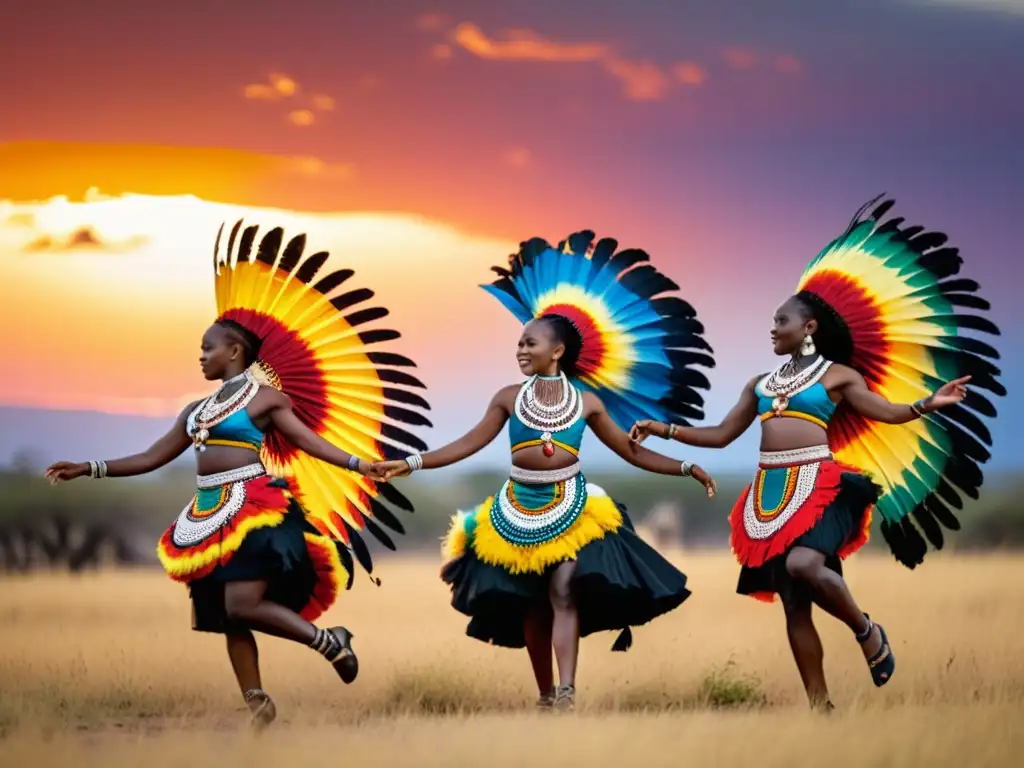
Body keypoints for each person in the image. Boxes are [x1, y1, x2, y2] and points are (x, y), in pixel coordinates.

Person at [45, 219, 432, 731]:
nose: (200, 355)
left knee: (242, 602)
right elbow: (151, 457)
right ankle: (257, 704)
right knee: (230, 615)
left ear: (235, 352)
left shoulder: (267, 399)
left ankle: (328, 640)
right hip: (207, 514)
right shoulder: (195, 410)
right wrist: (88, 468)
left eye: (208, 347)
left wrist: (361, 465)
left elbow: (308, 443)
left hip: (254, 507)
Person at [629, 195, 1006, 710]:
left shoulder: (837, 376)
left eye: (781, 320)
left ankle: (867, 630)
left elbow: (885, 412)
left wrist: (926, 403)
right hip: (770, 493)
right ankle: (821, 711)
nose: (772, 327)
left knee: (806, 565)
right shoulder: (759, 384)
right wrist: (665, 428)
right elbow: (720, 435)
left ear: (808, 328)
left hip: (821, 488)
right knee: (794, 606)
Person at [374, 230, 719, 711]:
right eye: (518, 342)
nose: (519, 350)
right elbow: (467, 444)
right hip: (517, 507)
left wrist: (686, 467)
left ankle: (568, 692)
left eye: (529, 342)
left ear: (556, 351)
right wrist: (409, 462)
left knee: (563, 590)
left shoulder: (589, 403)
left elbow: (632, 453)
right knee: (530, 604)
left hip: (573, 506)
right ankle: (543, 696)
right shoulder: (507, 398)